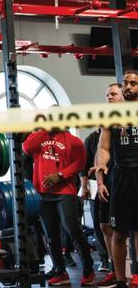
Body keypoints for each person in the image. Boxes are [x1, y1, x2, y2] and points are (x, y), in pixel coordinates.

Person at [23, 125, 95, 286]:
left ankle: (88, 271)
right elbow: (27, 148)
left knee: (73, 229)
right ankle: (60, 271)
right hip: (42, 193)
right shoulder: (39, 137)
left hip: (65, 192)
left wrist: (60, 175)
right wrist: (43, 130)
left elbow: (80, 163)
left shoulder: (73, 141)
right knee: (51, 234)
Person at [95, 71, 138, 288]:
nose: (128, 86)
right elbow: (103, 148)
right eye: (126, 83)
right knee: (118, 232)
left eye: (133, 83)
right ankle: (121, 281)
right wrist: (102, 164)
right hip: (121, 177)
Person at [81, 83, 123, 284]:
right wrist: (98, 182)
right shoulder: (99, 134)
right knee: (105, 225)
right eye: (107, 94)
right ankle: (115, 269)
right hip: (107, 183)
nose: (109, 97)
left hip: (127, 181)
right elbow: (99, 155)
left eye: (113, 93)